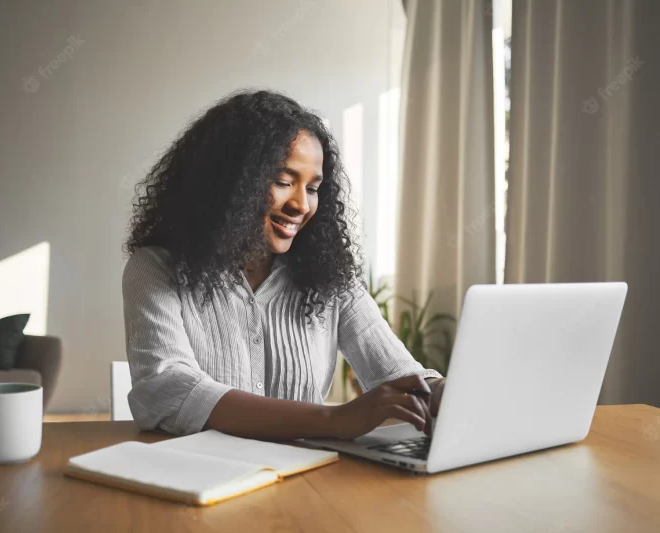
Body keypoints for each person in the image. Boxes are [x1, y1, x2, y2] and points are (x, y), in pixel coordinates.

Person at [122, 89, 446, 440]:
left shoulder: (331, 279)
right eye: (283, 181)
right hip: (201, 481)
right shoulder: (156, 268)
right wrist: (332, 420)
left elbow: (399, 376)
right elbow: (168, 389)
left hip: (305, 484)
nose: (301, 205)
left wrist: (446, 394)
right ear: (229, 181)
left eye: (313, 188)